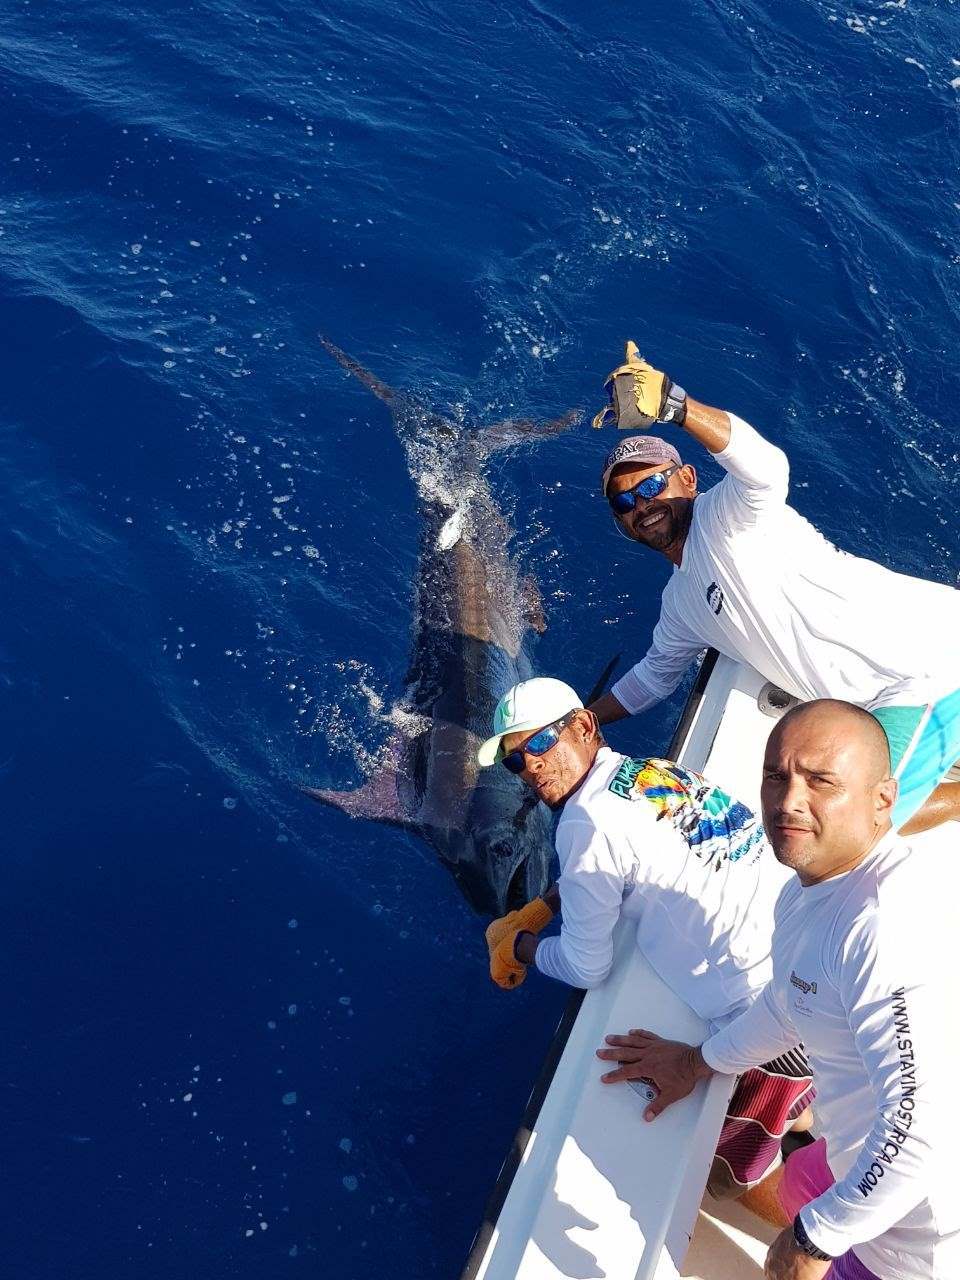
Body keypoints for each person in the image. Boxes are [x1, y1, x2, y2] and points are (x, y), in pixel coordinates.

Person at [597, 699, 960, 1279]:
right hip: (849, 1153)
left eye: (821, 781)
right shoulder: (811, 888)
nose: (788, 801)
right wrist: (697, 1060)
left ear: (883, 800)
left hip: (914, 1243)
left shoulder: (882, 932)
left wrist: (816, 1239)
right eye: (776, 776)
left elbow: (918, 1133)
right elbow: (789, 1003)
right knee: (798, 1181)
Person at [588, 343, 960, 837]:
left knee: (861, 824)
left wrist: (677, 406)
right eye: (626, 502)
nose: (643, 504)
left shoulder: (728, 513)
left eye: (652, 486)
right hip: (886, 704)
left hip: (923, 671)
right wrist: (580, 719)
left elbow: (767, 469)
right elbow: (652, 679)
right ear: (623, 524)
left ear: (688, 478)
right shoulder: (679, 605)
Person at [477, 675, 814, 1212]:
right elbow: (626, 855)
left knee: (726, 1179)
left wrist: (518, 946)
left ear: (585, 726)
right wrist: (545, 905)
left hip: (773, 1025)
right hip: (812, 962)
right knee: (806, 1106)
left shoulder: (583, 826)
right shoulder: (652, 772)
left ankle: (836, 1237)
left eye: (541, 743)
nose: (532, 766)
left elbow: (588, 966)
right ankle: (810, 1112)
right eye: (515, 761)